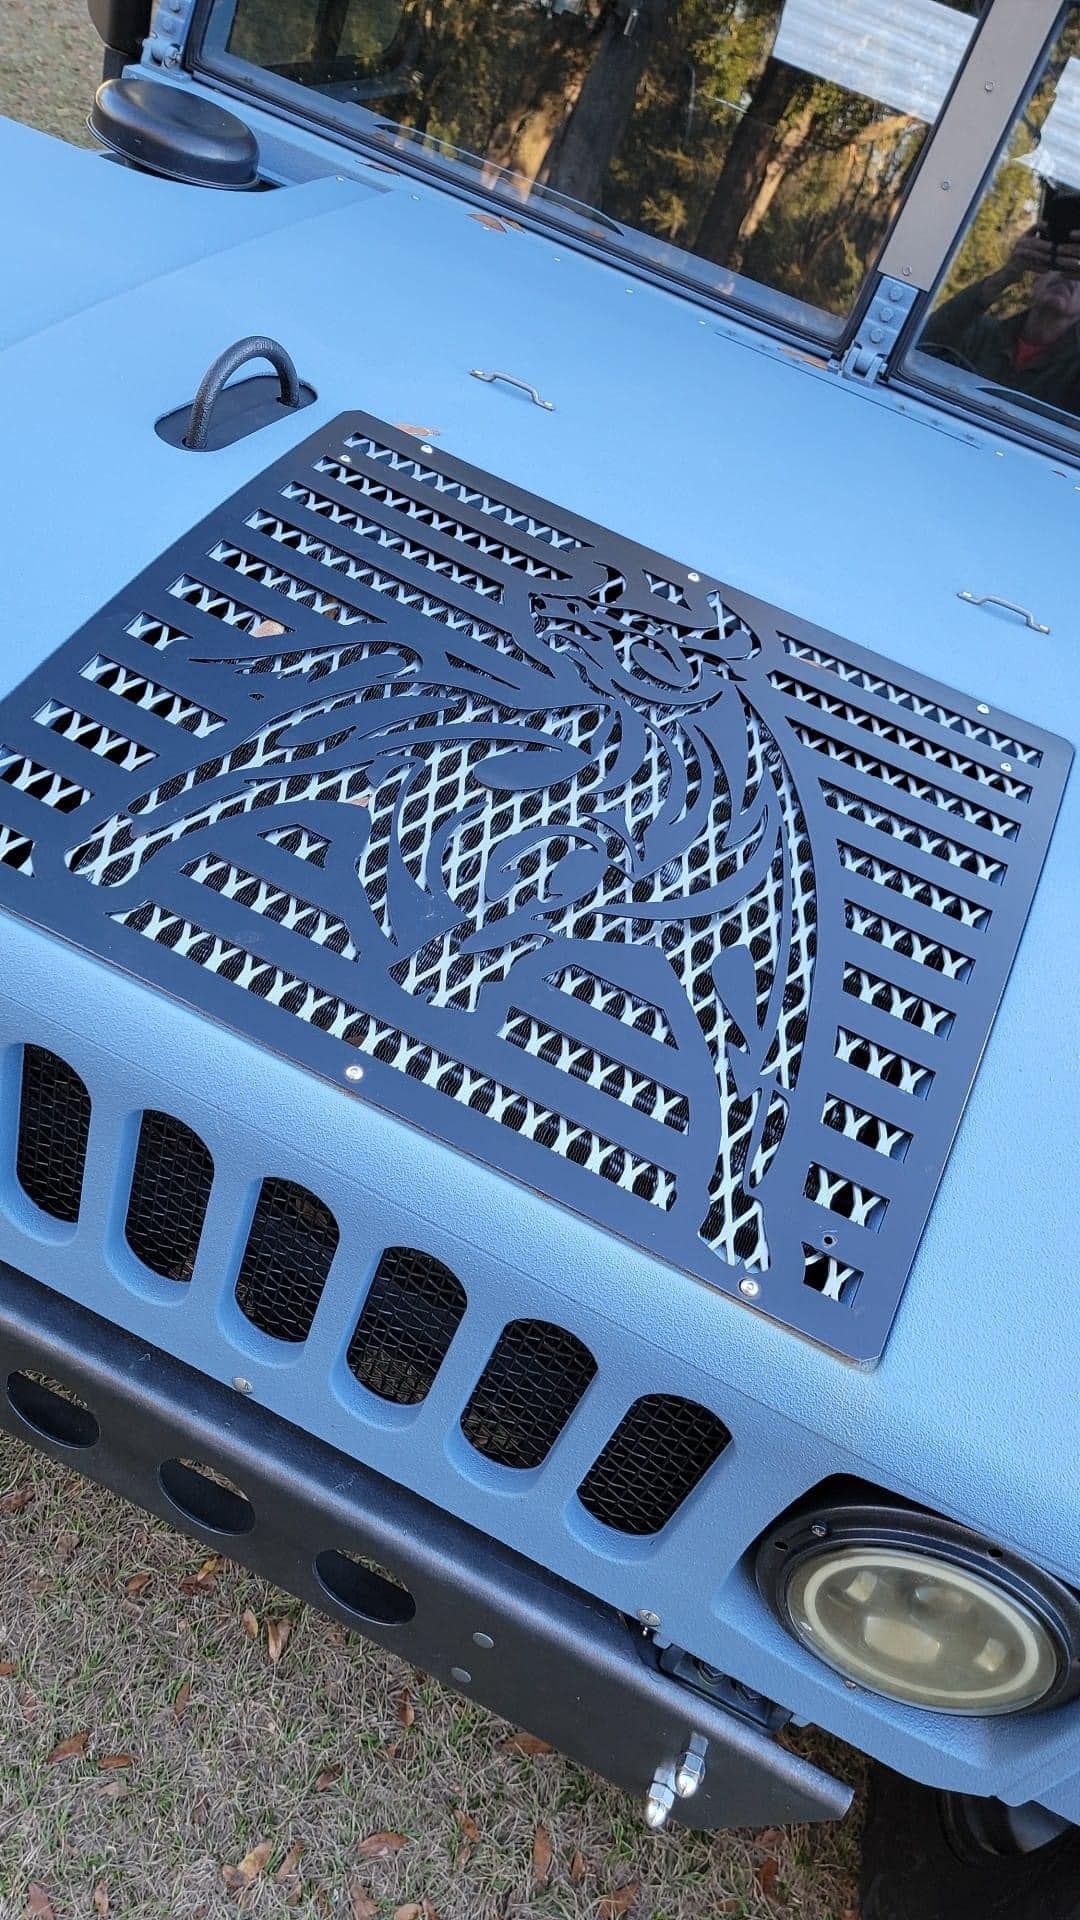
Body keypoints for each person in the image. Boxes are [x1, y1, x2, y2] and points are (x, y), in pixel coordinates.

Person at [921, 223, 1080, 411]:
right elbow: (920, 345)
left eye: (1077, 271)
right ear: (1036, 280)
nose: (1066, 277)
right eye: (1060, 263)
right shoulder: (981, 334)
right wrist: (1006, 274)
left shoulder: (1073, 370)